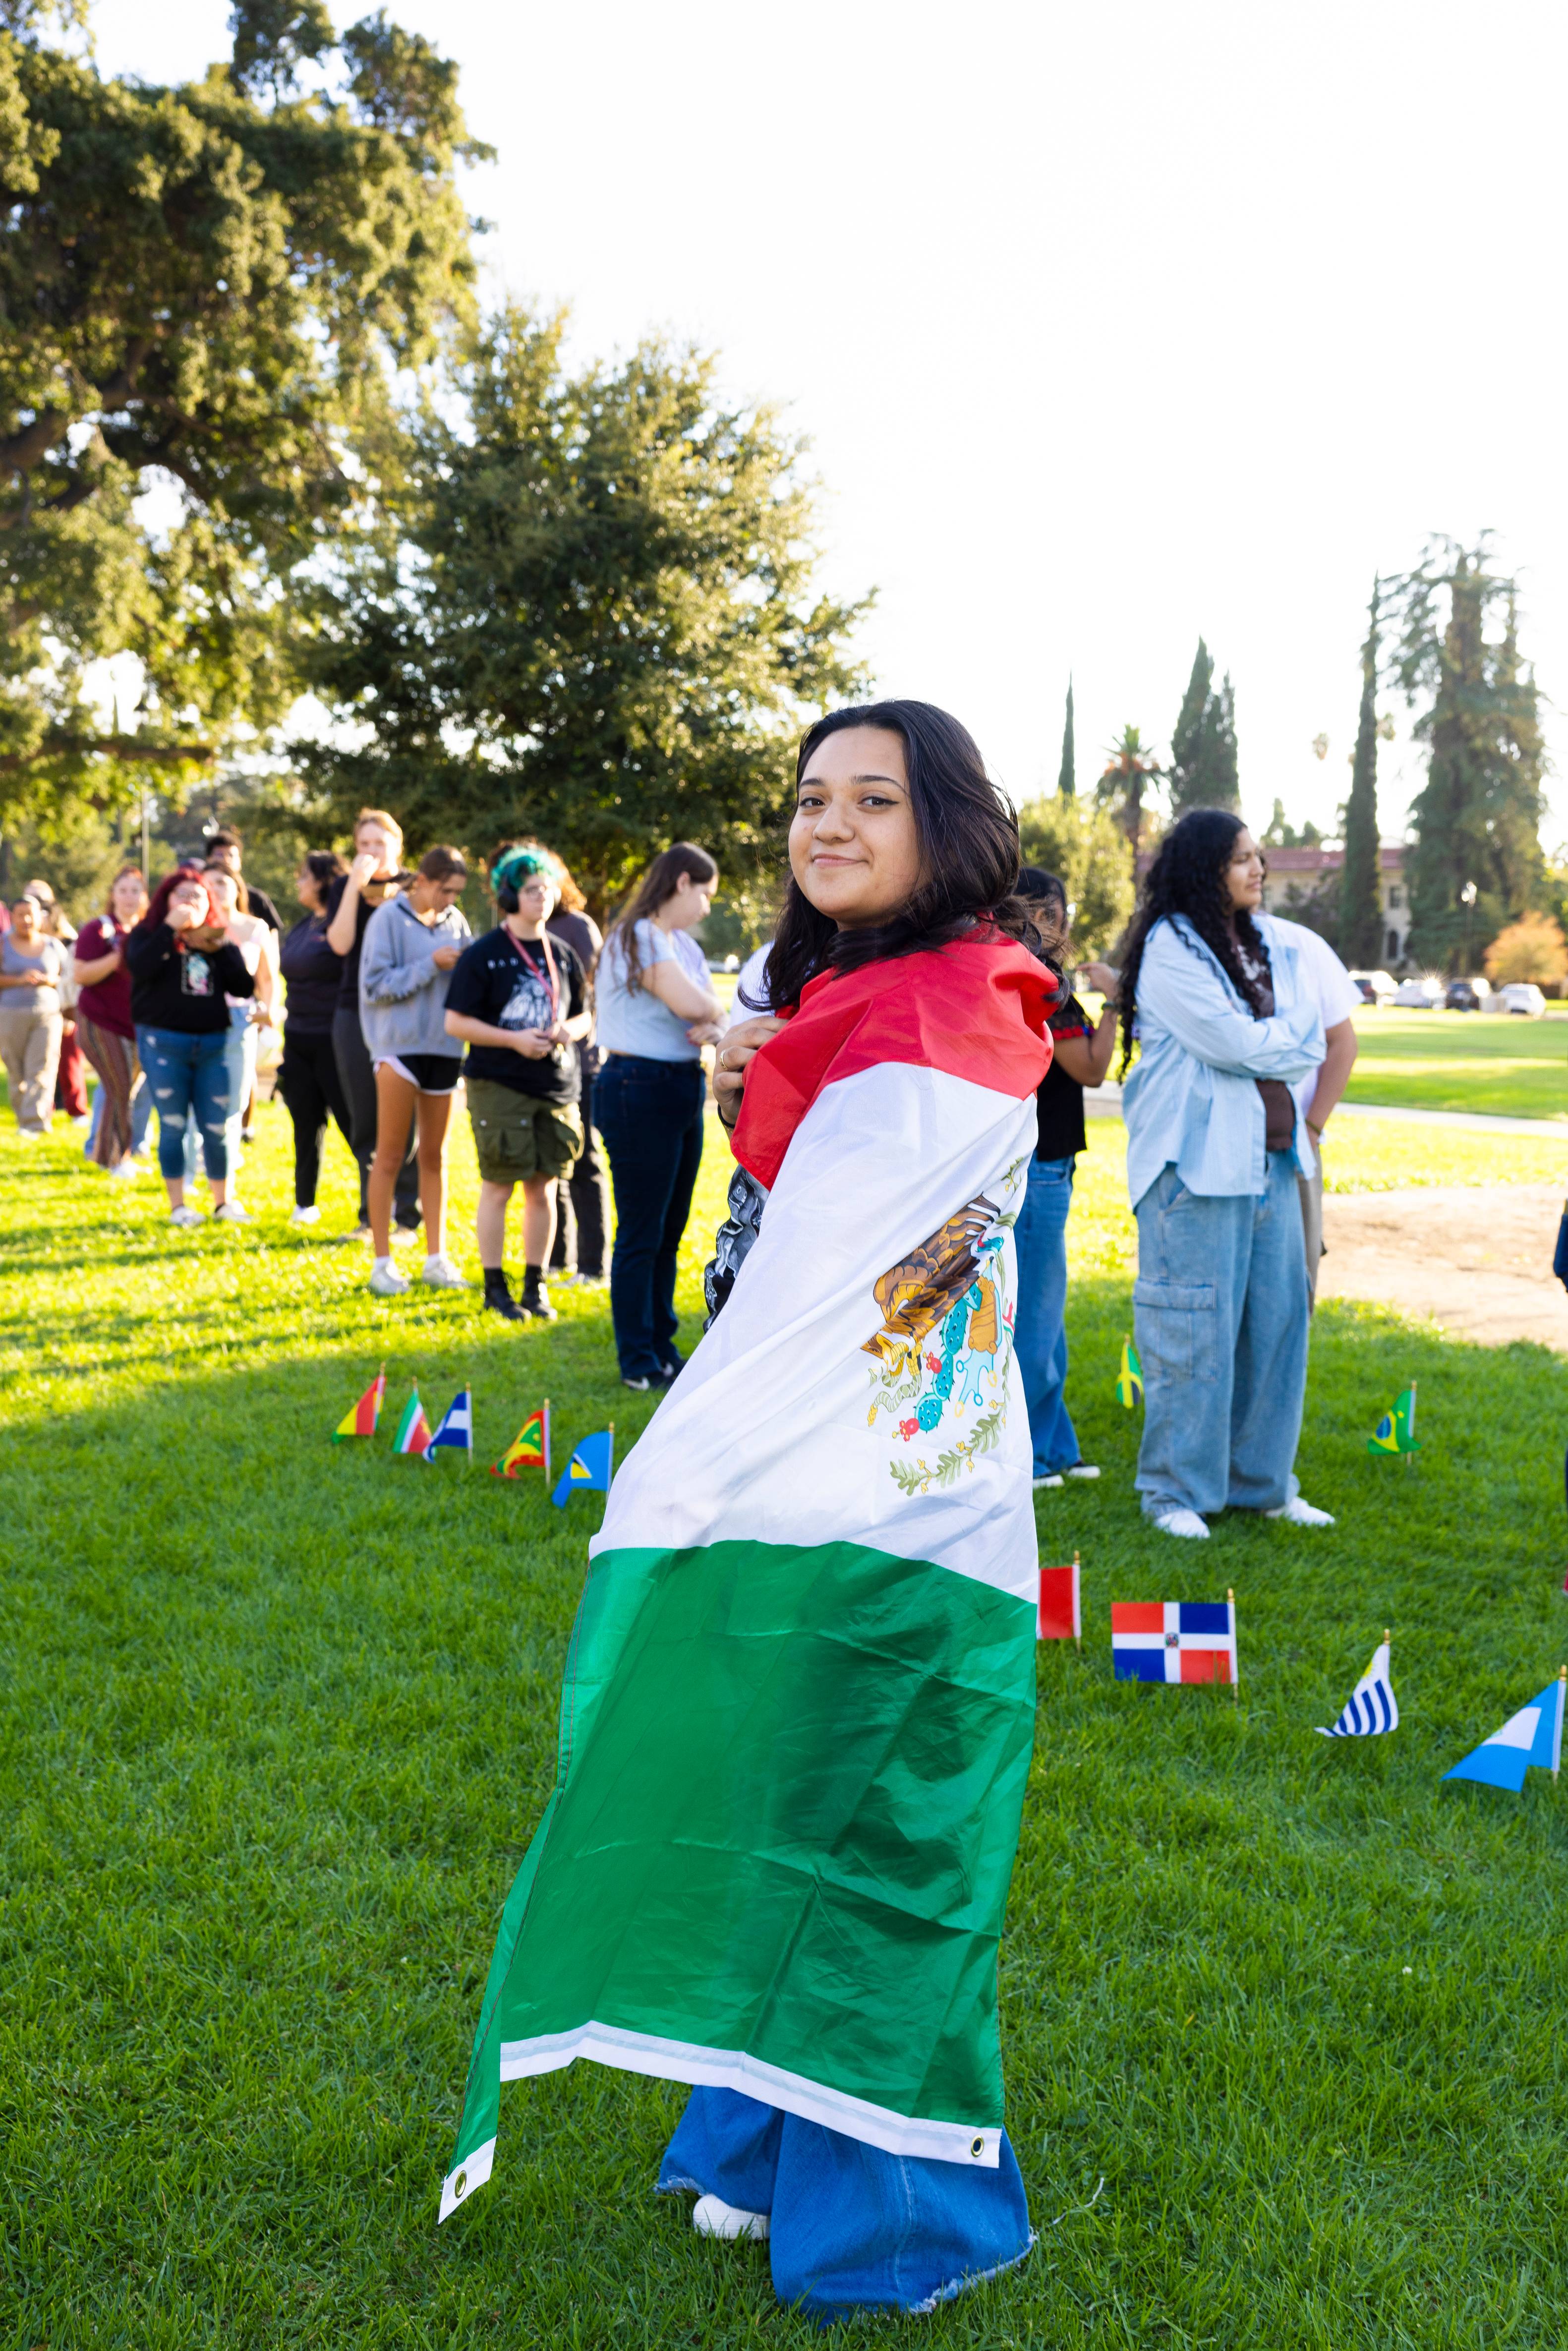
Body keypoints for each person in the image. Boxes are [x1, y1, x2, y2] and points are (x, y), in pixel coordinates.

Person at [441, 701, 1051, 2324]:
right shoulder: (879, 995)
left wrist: (685, 1465)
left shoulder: (939, 1009)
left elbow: (838, 1285)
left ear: (950, 825)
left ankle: (889, 2200)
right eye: (808, 799)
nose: (827, 824)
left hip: (892, 1498)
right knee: (813, 1803)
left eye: (874, 798)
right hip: (876, 1465)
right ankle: (769, 2142)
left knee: (893, 1833)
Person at [1116, 809, 1331, 1537]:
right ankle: (1174, 1492)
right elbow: (1229, 1042)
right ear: (1206, 867)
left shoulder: (1263, 942)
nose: (1257, 869)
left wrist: (1272, 1042)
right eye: (1241, 858)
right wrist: (1283, 1041)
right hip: (1195, 1168)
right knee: (1191, 1331)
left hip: (1272, 1162)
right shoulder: (1168, 945)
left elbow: (1294, 1033)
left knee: (1277, 1324)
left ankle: (1262, 1484)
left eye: (1258, 856)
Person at [594, 843, 725, 1389]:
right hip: (637, 1087)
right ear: (681, 884)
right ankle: (637, 1358)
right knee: (642, 1232)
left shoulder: (679, 946)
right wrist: (713, 1014)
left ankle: (662, 1344)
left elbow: (711, 1013)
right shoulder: (640, 934)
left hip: (678, 1084)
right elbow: (697, 1007)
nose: (707, 907)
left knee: (670, 1230)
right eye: (705, 894)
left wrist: (714, 1017)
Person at [444, 844, 591, 1322]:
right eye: (531, 890)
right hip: (499, 1083)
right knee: (499, 1186)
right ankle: (495, 1288)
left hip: (556, 1085)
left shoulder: (564, 953)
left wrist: (572, 1030)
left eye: (547, 889)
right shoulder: (484, 955)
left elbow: (585, 1013)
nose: (542, 897)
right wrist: (511, 1040)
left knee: (544, 1188)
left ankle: (535, 1285)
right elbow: (456, 1023)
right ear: (509, 895)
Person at [1012, 866, 1121, 1489]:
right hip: (1039, 1165)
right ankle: (1025, 1457)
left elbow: (1092, 1067)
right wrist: (1114, 1002)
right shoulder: (1038, 987)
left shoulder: (1047, 984)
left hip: (1053, 1163)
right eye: (1048, 915)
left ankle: (1056, 1448)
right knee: (1034, 1317)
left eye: (1059, 916)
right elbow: (1089, 1068)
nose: (1059, 928)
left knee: (1047, 1321)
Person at [357, 845, 471, 1296]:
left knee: (435, 1157)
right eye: (445, 890)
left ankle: (435, 1259)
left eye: (457, 893)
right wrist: (431, 965)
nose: (450, 900)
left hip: (445, 1049)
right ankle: (382, 1264)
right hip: (397, 1050)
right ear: (422, 880)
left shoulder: (455, 922)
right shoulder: (387, 919)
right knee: (389, 1156)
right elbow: (374, 986)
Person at [126, 870, 256, 1224]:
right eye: (181, 895)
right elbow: (138, 967)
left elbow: (245, 987)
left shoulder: (217, 940)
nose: (190, 902)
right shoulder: (148, 934)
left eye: (198, 896)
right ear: (165, 901)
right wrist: (170, 929)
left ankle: (223, 1202)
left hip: (214, 1044)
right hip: (163, 1044)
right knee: (173, 1124)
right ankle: (179, 1206)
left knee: (217, 1126)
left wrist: (223, 948)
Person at [324, 808, 421, 1242]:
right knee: (364, 1114)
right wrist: (353, 890)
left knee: (407, 1115)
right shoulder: (345, 889)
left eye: (379, 844)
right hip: (353, 1011)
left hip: (405, 1011)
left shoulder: (416, 887)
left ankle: (408, 1216)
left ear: (397, 847)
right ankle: (372, 1215)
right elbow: (340, 943)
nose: (371, 853)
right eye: (363, 845)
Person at [1268, 915, 1360, 1307]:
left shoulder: (1298, 941)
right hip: (1217, 1152)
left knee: (1294, 1289)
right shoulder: (1183, 944)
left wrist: (1310, 1127)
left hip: (1293, 1149)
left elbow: (1342, 1043)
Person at [543, 849, 610, 1289]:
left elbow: (591, 992)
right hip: (539, 1066)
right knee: (553, 1160)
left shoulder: (577, 927)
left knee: (584, 1160)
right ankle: (556, 1258)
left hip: (581, 1061)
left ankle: (593, 1265)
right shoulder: (523, 929)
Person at [277, 851, 354, 1227]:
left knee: (353, 1125)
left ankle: (381, 1206)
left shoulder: (344, 925)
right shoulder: (303, 926)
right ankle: (304, 1203)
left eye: (304, 876)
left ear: (324, 881)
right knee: (305, 1124)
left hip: (334, 1040)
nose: (298, 883)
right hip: (297, 1038)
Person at [73, 865, 150, 1176]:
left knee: (125, 1091)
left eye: (135, 891)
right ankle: (115, 1160)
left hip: (135, 1025)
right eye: (123, 890)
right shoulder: (99, 930)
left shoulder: (148, 932)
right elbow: (81, 974)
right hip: (99, 1022)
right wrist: (118, 957)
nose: (129, 897)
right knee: (118, 1088)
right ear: (113, 895)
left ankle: (111, 1153)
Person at [203, 864, 278, 1173]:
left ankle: (228, 1155)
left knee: (236, 1094)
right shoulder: (195, 927)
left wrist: (268, 1011)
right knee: (203, 1092)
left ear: (237, 888)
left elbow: (268, 978)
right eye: (209, 883)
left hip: (241, 1019)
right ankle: (200, 1156)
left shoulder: (255, 927)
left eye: (222, 882)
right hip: (202, 1019)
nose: (217, 888)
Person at [0, 893, 68, 1135]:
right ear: (13, 917)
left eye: (31, 914)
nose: (26, 919)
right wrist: (18, 980)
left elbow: (70, 977)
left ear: (41, 917)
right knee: (16, 1069)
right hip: (10, 1013)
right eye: (21, 915)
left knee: (42, 1067)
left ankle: (35, 1123)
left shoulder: (53, 946)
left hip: (47, 1014)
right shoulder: (3, 943)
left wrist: (50, 980)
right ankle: (24, 1118)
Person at [24, 880, 89, 1125]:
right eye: (31, 898)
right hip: (32, 1009)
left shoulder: (67, 939)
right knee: (38, 1064)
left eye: (42, 900)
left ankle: (77, 1109)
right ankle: (43, 1111)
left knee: (70, 1059)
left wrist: (68, 1012)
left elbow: (72, 978)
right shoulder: (21, 940)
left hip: (64, 1009)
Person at [204, 827, 282, 933]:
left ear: (240, 862)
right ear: (209, 859)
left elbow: (273, 936)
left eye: (231, 855)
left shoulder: (257, 899)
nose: (226, 860)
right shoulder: (200, 894)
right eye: (219, 855)